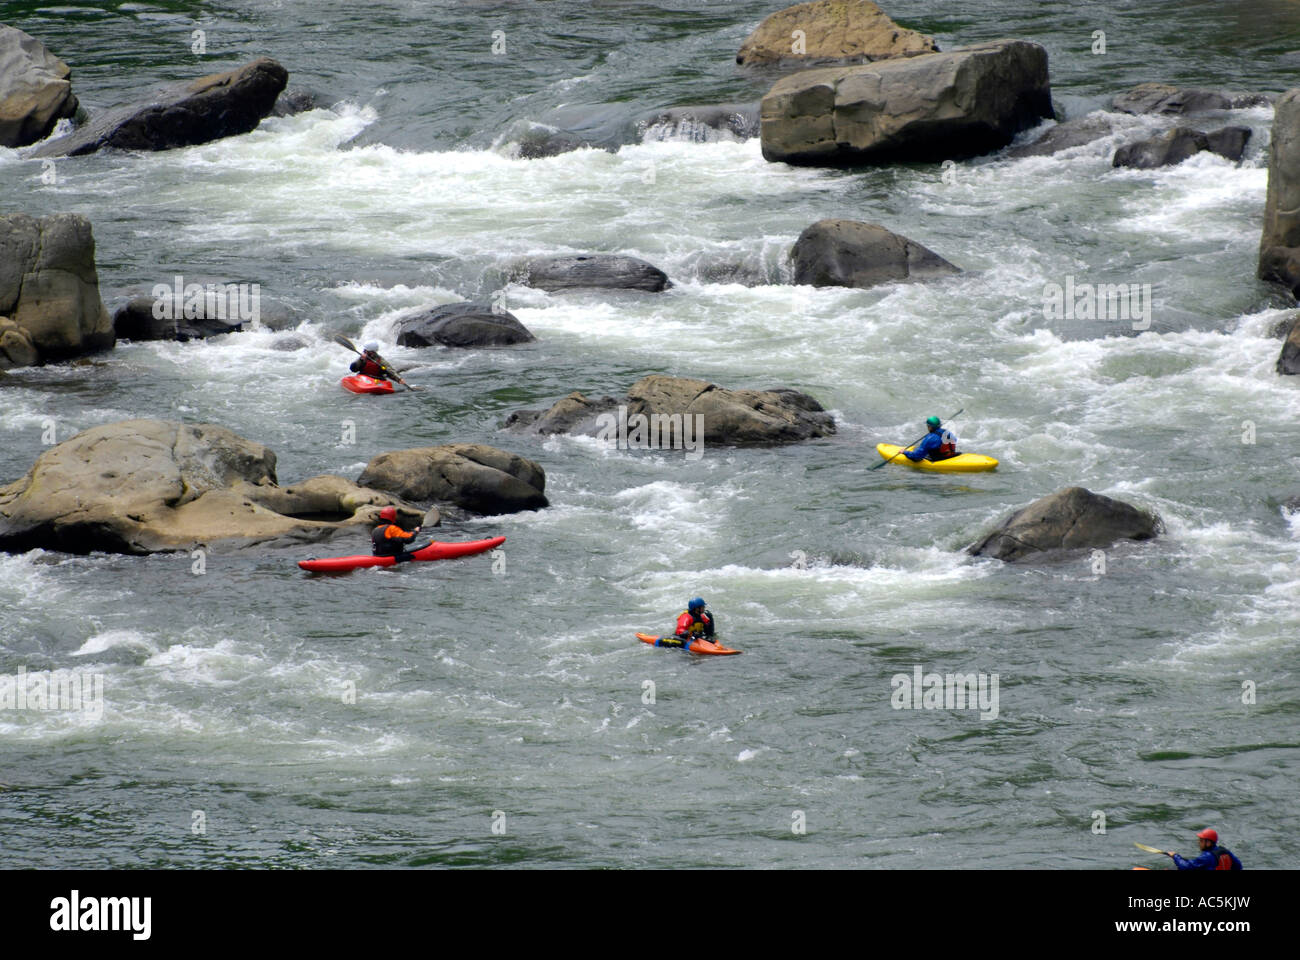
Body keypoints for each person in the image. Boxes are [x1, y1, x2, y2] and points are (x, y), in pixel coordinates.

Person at [1165, 828, 1243, 870]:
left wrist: (1175, 856)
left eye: (1201, 840)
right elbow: (1238, 866)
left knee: (1177, 868)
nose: (1199, 842)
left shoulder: (1207, 856)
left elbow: (1186, 867)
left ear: (1208, 843)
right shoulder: (1225, 851)